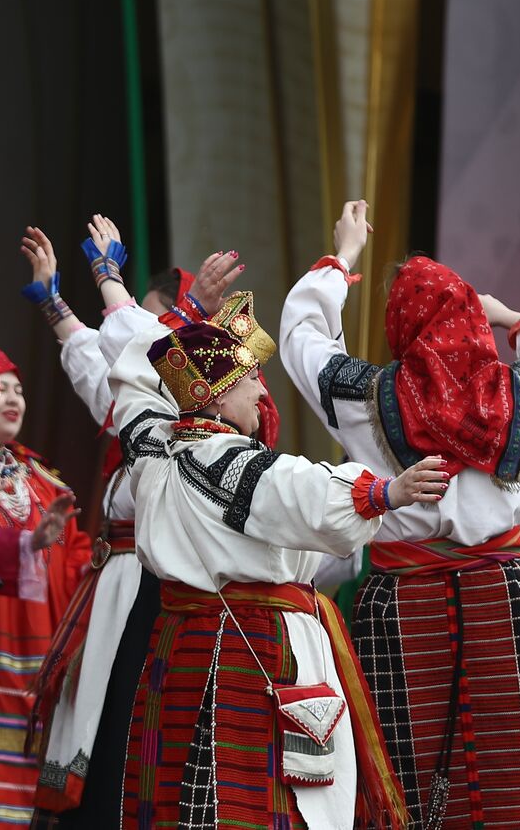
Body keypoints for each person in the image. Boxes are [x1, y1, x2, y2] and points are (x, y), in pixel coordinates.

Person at [280, 200, 520, 828]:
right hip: (503, 599)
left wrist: (342, 257)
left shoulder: (365, 398)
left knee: (405, 780)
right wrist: (512, 317)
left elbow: (301, 337)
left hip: (405, 604)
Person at [111, 286, 426, 829]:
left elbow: (135, 387)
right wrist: (385, 492)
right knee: (255, 802)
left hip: (181, 641)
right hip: (248, 644)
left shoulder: (152, 450)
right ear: (216, 397)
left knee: (185, 798)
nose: (261, 390)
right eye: (250, 377)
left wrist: (176, 312)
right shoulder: (226, 460)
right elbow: (301, 490)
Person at [18, 217, 259, 827]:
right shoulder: (143, 411)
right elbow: (103, 362)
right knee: (98, 718)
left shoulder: (209, 418)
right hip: (119, 583)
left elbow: (138, 353)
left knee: (136, 720)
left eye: (164, 321)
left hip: (163, 586)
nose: (134, 333)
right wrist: (53, 300)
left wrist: (111, 279)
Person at [0, 344, 91, 829]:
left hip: (37, 662)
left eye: (18, 390)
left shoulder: (48, 485)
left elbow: (76, 567)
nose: (13, 399)